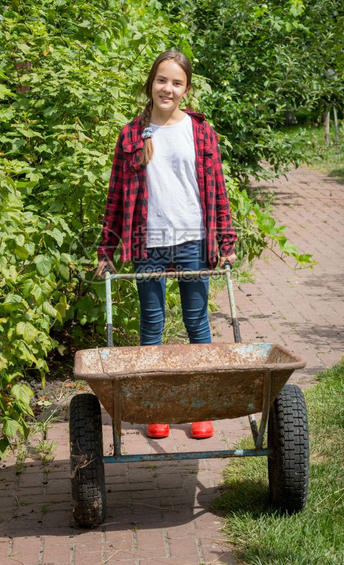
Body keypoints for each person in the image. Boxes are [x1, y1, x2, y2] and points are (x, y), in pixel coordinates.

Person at [97, 50, 237, 439]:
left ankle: (201, 407)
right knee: (152, 324)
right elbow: (116, 196)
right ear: (151, 83)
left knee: (197, 322)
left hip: (193, 238)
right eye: (162, 80)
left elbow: (218, 191)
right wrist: (106, 250)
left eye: (177, 83)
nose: (168, 88)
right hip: (148, 240)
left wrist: (226, 242)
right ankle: (155, 408)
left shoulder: (200, 132)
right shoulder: (131, 134)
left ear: (186, 90)